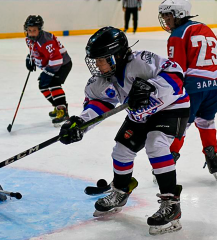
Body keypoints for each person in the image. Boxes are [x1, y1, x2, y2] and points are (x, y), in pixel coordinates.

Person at [59, 26, 190, 235]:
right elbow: (98, 104)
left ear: (117, 55)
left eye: (102, 59)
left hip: (171, 107)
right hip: (140, 114)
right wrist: (79, 124)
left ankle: (171, 204)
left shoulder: (141, 62)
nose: (97, 65)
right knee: (121, 150)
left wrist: (152, 87)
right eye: (96, 60)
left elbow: (176, 73)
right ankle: (120, 191)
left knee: (155, 145)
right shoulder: (103, 79)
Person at [159, 0, 217, 178]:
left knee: (181, 124)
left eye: (168, 15)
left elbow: (177, 70)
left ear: (179, 14)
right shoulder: (205, 28)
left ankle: (167, 162)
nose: (165, 20)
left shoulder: (178, 34)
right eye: (163, 16)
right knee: (206, 121)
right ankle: (213, 159)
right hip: (214, 85)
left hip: (193, 87)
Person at [24, 15, 72, 126]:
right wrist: (30, 58)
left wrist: (48, 73)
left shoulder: (46, 41)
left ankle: (62, 110)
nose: (31, 33)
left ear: (39, 30)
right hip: (52, 65)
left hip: (62, 64)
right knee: (43, 86)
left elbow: (57, 59)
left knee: (54, 83)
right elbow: (34, 50)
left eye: (34, 30)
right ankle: (59, 107)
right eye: (29, 30)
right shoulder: (29, 39)